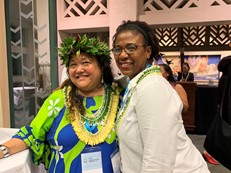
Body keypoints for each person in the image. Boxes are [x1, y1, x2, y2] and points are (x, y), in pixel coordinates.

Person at [0, 34, 122, 173]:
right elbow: (32, 135)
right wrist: (3, 150)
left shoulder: (117, 98)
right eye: (73, 65)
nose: (79, 69)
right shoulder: (57, 100)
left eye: (85, 62)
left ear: (101, 66)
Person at [112, 20, 210, 172]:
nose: (123, 55)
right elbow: (117, 83)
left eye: (131, 48)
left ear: (148, 51)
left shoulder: (152, 87)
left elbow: (158, 163)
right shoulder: (138, 83)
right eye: (117, 49)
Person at [202, 55, 231, 165]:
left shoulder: (224, 77)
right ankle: (209, 152)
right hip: (226, 111)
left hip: (223, 109)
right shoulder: (226, 79)